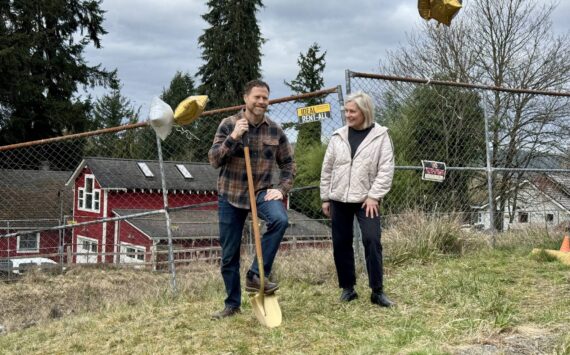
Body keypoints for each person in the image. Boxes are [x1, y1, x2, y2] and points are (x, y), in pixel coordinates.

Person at [208, 79, 296, 319]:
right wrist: (234, 137)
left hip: (262, 191)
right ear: (246, 98)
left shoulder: (275, 130)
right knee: (229, 254)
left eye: (265, 98)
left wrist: (283, 188)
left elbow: (288, 163)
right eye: (257, 97)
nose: (261, 102)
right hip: (232, 193)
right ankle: (232, 304)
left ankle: (256, 274)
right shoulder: (228, 124)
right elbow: (214, 159)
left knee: (279, 220)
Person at [320, 91, 395, 307]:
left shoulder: (381, 136)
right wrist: (326, 197)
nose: (348, 115)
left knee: (372, 240)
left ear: (364, 112)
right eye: (346, 111)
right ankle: (348, 288)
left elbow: (386, 169)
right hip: (339, 198)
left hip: (367, 200)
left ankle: (377, 291)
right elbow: (327, 169)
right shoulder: (337, 136)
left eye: (352, 111)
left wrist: (374, 196)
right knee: (341, 243)